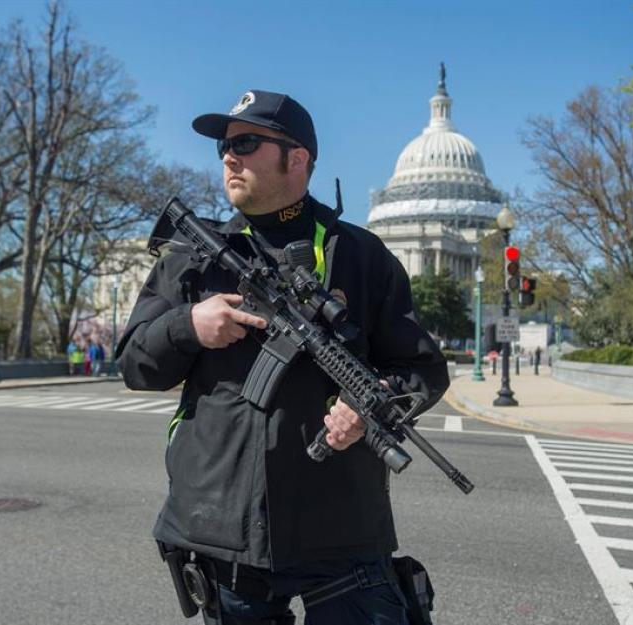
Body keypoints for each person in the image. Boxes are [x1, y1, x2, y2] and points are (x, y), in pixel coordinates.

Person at [115, 90, 448, 625]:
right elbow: (133, 365)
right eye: (225, 146)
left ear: (298, 159)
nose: (229, 156)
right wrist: (188, 326)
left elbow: (423, 369)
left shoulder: (364, 257)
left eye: (246, 143)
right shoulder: (192, 258)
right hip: (222, 532)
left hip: (342, 530)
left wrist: (373, 407)